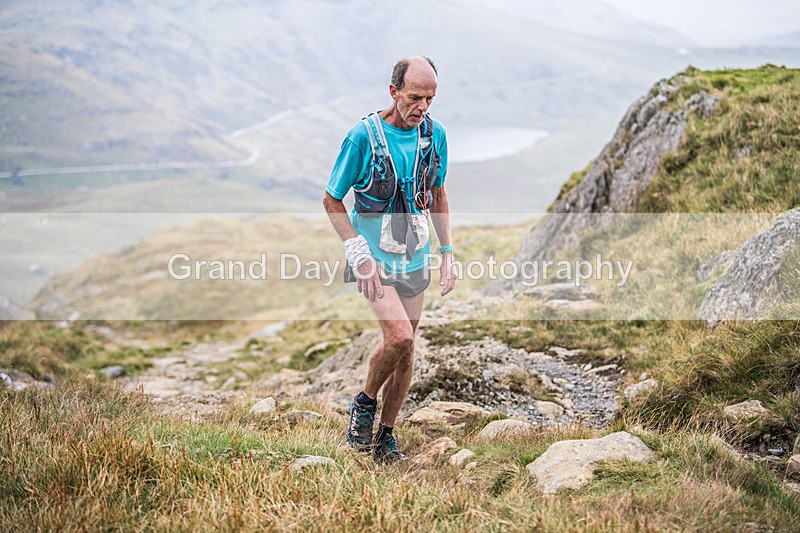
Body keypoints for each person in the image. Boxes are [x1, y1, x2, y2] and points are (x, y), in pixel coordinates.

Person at [322, 56, 457, 463]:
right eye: (415, 97)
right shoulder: (361, 138)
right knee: (399, 336)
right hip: (373, 263)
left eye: (430, 99)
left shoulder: (435, 137)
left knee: (407, 351)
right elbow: (332, 199)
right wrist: (356, 250)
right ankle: (364, 402)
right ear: (393, 91)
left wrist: (448, 251)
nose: (422, 107)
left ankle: (385, 437)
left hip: (415, 259)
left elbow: (437, 194)